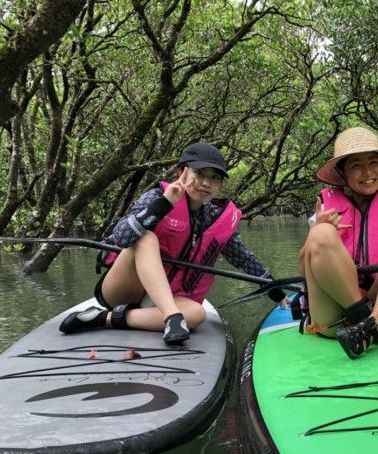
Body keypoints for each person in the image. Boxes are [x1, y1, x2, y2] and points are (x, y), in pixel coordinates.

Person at [59, 142, 287, 344]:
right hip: (123, 289)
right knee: (146, 238)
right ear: (182, 171)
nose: (206, 183)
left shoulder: (215, 218)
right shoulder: (156, 197)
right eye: (200, 173)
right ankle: (171, 317)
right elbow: (122, 237)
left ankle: (103, 318)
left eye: (215, 178)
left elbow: (244, 259)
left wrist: (275, 291)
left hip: (164, 297)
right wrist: (165, 204)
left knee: (197, 314)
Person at [298, 126, 378, 359]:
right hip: (333, 320)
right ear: (343, 174)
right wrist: (316, 230)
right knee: (321, 233)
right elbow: (304, 272)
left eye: (373, 163)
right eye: (356, 165)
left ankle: (371, 326)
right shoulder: (325, 209)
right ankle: (376, 327)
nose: (367, 172)